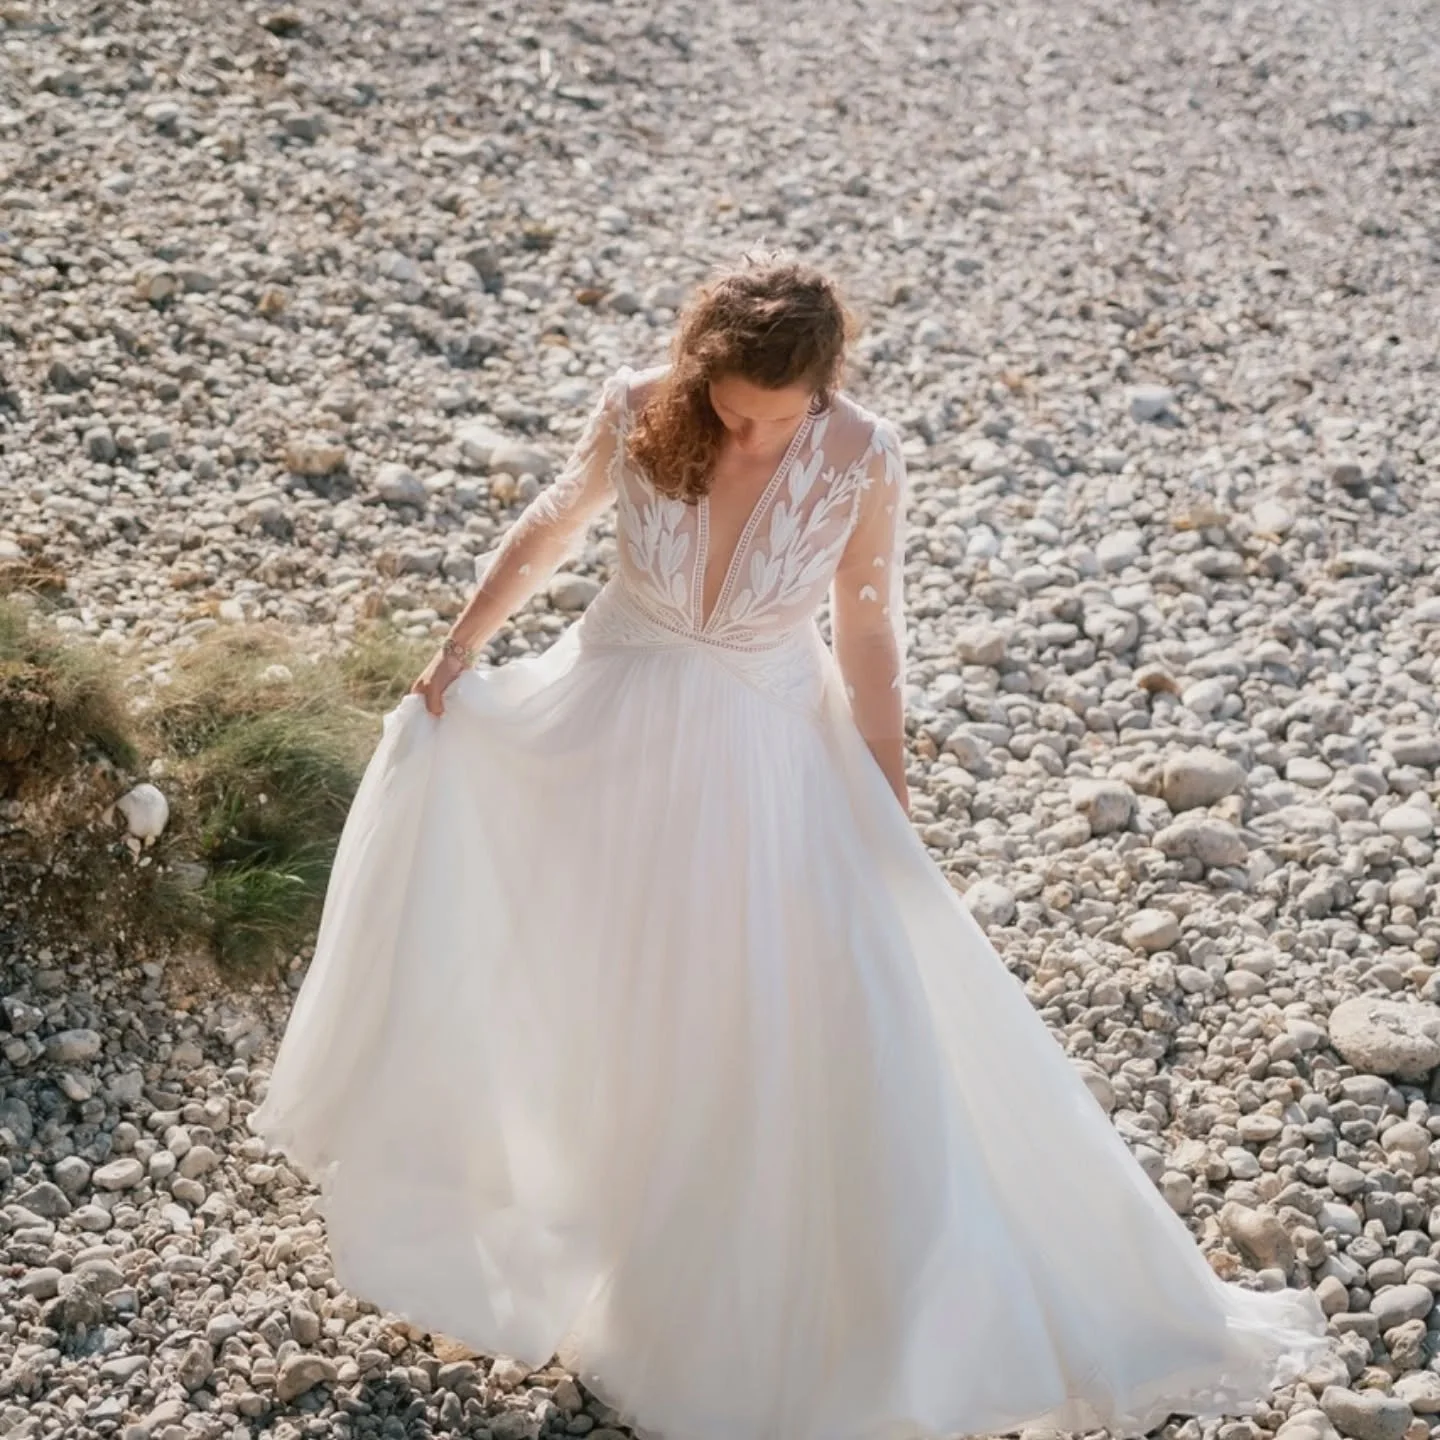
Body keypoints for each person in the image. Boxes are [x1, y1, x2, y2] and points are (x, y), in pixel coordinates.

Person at [250, 253, 1329, 1440]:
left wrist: (884, 796)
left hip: (762, 762)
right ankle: (557, 1220)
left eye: (770, 411)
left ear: (821, 385)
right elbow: (553, 526)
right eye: (728, 399)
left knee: (754, 1011)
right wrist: (461, 647)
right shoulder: (639, 403)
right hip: (605, 734)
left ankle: (709, 1282)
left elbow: (870, 630)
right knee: (588, 984)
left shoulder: (862, 454)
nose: (742, 425)